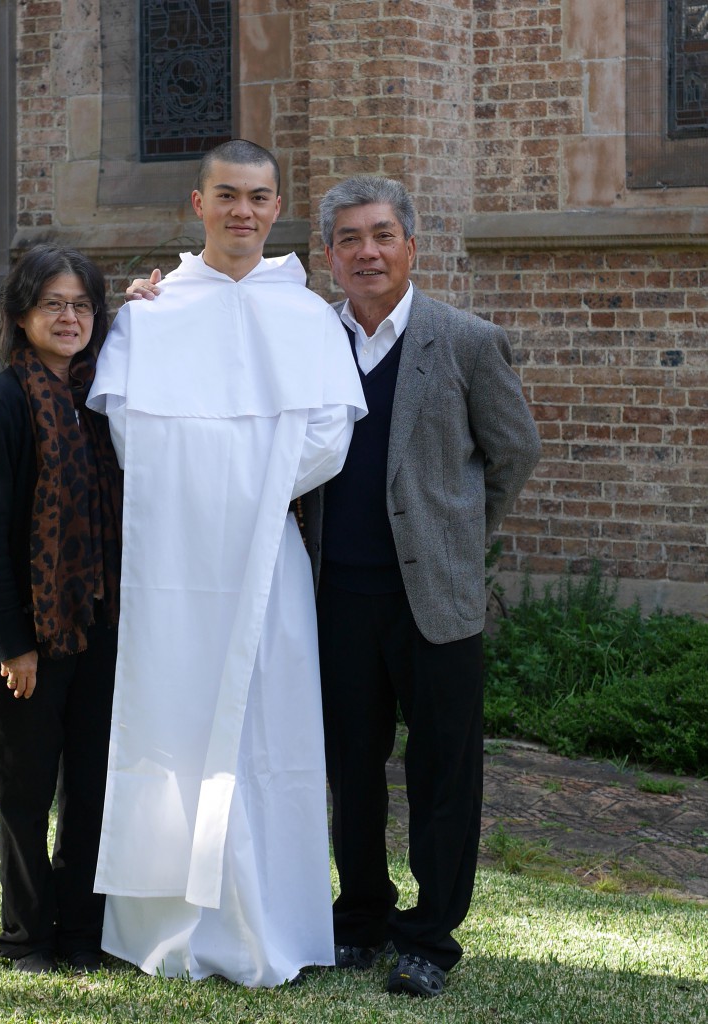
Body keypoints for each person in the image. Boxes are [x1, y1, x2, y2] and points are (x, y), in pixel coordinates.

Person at [126, 174, 542, 998]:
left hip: (435, 602)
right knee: (350, 770)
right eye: (348, 239)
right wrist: (156, 294)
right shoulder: (307, 333)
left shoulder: (462, 340)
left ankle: (429, 938)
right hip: (334, 598)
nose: (366, 252)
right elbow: (222, 339)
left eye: (382, 236)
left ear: (410, 246)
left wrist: (456, 534)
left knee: (441, 774)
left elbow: (513, 453)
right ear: (326, 256)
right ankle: (358, 919)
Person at [86, 139, 367, 987]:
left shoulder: (307, 314)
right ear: (196, 205)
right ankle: (170, 919)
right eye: (227, 195)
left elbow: (328, 437)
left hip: (265, 557)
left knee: (270, 732)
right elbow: (134, 431)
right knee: (169, 714)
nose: (242, 211)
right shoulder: (151, 314)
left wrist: (247, 492)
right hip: (173, 559)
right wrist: (222, 486)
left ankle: (270, 920)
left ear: (276, 207)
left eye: (259, 196)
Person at [0, 243, 123, 975]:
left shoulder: (103, 395)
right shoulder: (0, 404)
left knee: (92, 788)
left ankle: (81, 931)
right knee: (25, 794)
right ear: (21, 314)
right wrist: (13, 644)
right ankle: (26, 937)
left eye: (82, 304)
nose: (68, 317)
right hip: (28, 638)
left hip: (97, 628)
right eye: (52, 304)